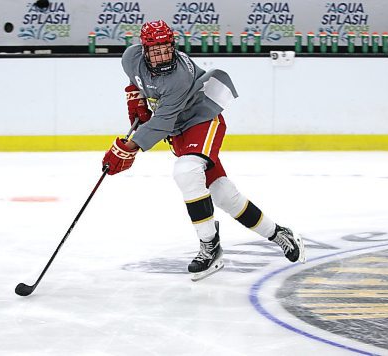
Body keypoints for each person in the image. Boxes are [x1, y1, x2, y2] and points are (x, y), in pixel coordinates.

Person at [102, 20, 306, 281]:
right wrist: (136, 100)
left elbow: (162, 122)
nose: (163, 56)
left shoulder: (179, 76)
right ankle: (279, 233)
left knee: (186, 171)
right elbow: (136, 81)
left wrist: (127, 149)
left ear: (173, 46)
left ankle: (209, 247)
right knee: (223, 195)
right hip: (179, 132)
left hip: (201, 120)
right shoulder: (130, 58)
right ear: (144, 50)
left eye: (167, 49)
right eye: (156, 51)